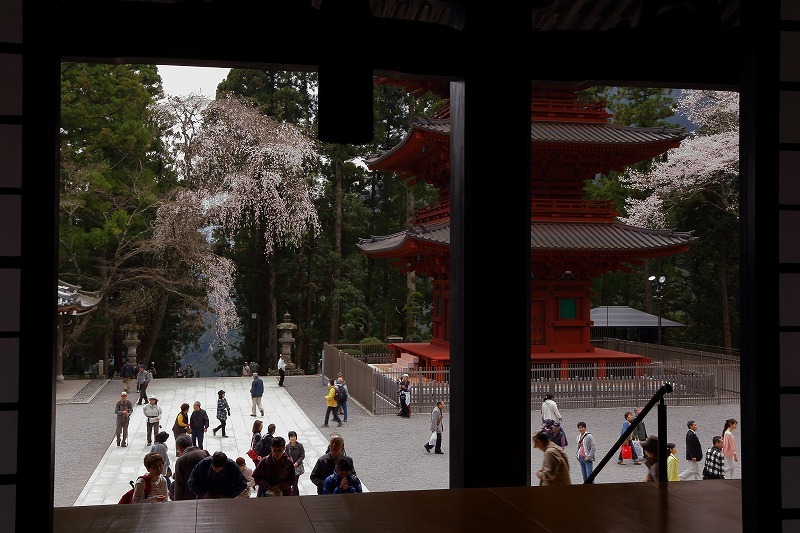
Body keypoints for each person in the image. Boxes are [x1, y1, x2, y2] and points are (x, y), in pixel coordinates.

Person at [171, 433, 209, 501]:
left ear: (178, 447)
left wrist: (177, 502)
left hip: (188, 499)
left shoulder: (181, 460)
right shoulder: (204, 453)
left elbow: (179, 485)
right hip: (205, 496)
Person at [286, 430, 306, 496]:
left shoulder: (300, 446)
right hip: (290, 467)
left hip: (297, 467)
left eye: (294, 436)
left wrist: (297, 463)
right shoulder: (287, 447)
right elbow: (286, 456)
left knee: (295, 482)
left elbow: (302, 455)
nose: (292, 438)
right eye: (291, 437)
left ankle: (295, 495)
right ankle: (295, 495)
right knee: (293, 483)